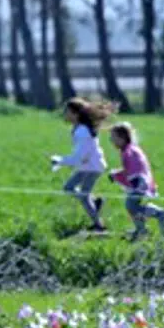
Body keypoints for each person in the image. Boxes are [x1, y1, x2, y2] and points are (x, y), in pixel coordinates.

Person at [50, 98, 115, 233]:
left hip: (92, 167)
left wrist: (60, 160)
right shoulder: (79, 128)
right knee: (69, 188)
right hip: (88, 166)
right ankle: (95, 202)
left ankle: (99, 226)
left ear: (76, 114)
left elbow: (80, 157)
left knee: (83, 195)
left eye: (67, 112)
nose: (64, 114)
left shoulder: (82, 131)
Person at [107, 122, 164, 240]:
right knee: (133, 206)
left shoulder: (128, 152)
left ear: (122, 138)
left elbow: (134, 170)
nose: (111, 140)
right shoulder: (130, 149)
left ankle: (159, 215)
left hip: (140, 183)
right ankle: (141, 228)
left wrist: (117, 175)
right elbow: (131, 169)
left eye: (113, 137)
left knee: (131, 206)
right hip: (142, 182)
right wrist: (117, 175)